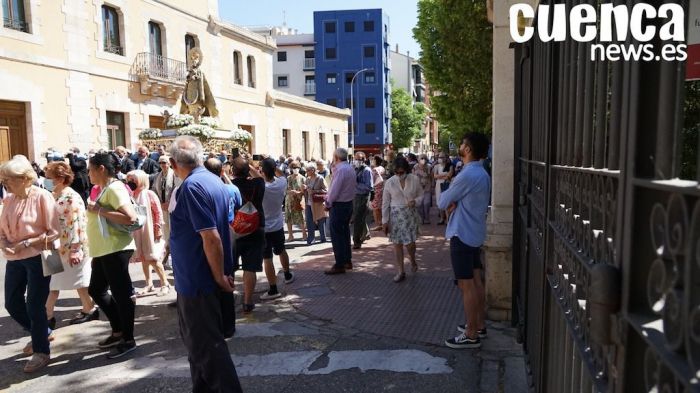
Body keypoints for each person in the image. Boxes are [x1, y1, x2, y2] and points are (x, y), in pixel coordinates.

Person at [168, 136, 243, 392]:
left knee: (208, 350)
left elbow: (212, 238)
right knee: (198, 347)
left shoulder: (191, 187)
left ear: (171, 163)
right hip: (199, 280)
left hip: (198, 282)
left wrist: (220, 276)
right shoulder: (214, 180)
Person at [0, 157, 60, 373]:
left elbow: (54, 233)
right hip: (15, 259)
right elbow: (2, 229)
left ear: (25, 179)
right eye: (3, 178)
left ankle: (41, 351)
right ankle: (42, 331)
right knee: (12, 303)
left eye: (9, 179)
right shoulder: (9, 199)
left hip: (39, 257)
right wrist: (4, 243)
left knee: (35, 304)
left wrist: (25, 242)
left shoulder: (43, 197)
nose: (4, 182)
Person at [438, 133, 491, 349]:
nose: (459, 146)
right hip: (474, 232)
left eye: (461, 144)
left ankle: (471, 333)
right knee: (476, 280)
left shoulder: (467, 174)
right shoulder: (482, 173)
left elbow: (442, 202)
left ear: (467, 149)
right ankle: (478, 325)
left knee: (466, 284)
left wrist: (452, 199)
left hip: (462, 234)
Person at [85, 152, 139, 359]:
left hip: (115, 249)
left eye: (90, 169)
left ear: (101, 169)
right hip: (105, 250)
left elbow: (130, 217)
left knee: (122, 294)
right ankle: (118, 331)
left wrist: (99, 210)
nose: (88, 173)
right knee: (96, 289)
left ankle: (128, 338)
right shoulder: (104, 188)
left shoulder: (115, 188)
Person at [43, 162, 98, 327]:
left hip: (69, 247)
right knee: (53, 282)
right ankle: (48, 315)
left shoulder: (71, 197)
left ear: (60, 178)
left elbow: (77, 223)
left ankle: (49, 316)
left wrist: (75, 249)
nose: (46, 180)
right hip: (53, 246)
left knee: (76, 281)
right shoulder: (53, 195)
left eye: (49, 178)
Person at [127, 170, 170, 297]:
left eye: (133, 179)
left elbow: (158, 212)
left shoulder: (149, 194)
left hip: (149, 230)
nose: (131, 182)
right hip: (137, 230)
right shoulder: (131, 195)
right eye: (129, 180)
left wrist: (158, 229)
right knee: (144, 257)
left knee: (152, 257)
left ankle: (164, 283)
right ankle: (149, 284)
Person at [231, 157, 266, 314]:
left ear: (233, 171)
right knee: (250, 267)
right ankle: (247, 301)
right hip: (255, 228)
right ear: (248, 171)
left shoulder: (229, 186)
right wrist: (249, 165)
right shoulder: (257, 184)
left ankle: (228, 297)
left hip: (235, 231)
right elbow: (260, 177)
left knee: (229, 267)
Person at [382, 157, 423, 283]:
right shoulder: (389, 182)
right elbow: (385, 203)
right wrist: (384, 221)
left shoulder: (414, 179)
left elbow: (421, 195)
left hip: (409, 214)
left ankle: (412, 258)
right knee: (397, 244)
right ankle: (400, 271)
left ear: (406, 170)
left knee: (410, 244)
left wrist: (415, 201)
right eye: (397, 173)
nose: (399, 175)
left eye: (402, 172)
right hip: (395, 215)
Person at [260, 158, 295, 300]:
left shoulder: (262, 187)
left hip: (265, 227)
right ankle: (287, 274)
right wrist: (272, 166)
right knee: (281, 250)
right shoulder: (281, 183)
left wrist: (251, 166)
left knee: (267, 258)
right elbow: (281, 175)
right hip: (278, 225)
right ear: (275, 169)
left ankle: (273, 289)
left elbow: (258, 177)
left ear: (263, 171)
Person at [324, 148, 356, 275]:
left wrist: (328, 203)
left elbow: (334, 190)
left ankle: (340, 264)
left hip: (339, 205)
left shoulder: (341, 170)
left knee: (337, 235)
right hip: (347, 204)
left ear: (336, 157)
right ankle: (347, 260)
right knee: (344, 233)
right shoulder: (349, 168)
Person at [151, 155, 182, 268]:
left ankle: (172, 257)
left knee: (172, 231)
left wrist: (169, 202)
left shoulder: (174, 174)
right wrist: (159, 202)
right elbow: (154, 189)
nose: (163, 165)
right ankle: (165, 257)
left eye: (164, 162)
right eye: (161, 163)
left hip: (172, 206)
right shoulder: (158, 176)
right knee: (164, 231)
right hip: (162, 207)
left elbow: (176, 188)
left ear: (169, 163)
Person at [351, 151, 373, 249]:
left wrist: (356, 185)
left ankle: (356, 241)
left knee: (358, 219)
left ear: (364, 160)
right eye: (355, 158)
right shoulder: (354, 169)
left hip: (363, 197)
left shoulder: (367, 170)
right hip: (354, 196)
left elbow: (369, 186)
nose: (357, 161)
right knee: (358, 218)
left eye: (359, 159)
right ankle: (366, 233)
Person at [304, 164, 328, 245]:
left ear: (313, 170)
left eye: (308, 170)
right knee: (309, 221)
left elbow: (326, 190)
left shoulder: (320, 178)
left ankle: (323, 238)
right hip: (309, 202)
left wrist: (314, 191)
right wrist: (304, 188)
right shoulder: (307, 179)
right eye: (306, 170)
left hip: (318, 202)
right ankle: (311, 239)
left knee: (320, 220)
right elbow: (307, 190)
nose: (306, 172)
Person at [284, 161, 307, 242]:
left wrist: (298, 192)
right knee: (288, 218)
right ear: (291, 169)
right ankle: (290, 235)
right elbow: (285, 189)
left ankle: (304, 234)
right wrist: (289, 192)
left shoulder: (303, 178)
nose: (295, 169)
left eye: (297, 168)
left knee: (301, 217)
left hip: (299, 200)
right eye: (294, 168)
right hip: (289, 200)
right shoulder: (288, 178)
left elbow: (305, 191)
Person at [433, 152, 454, 225]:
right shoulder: (436, 166)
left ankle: (448, 219)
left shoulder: (450, 166)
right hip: (439, 184)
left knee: (447, 201)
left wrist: (440, 176)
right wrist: (444, 176)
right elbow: (434, 176)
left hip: (447, 184)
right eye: (440, 157)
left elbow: (449, 175)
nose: (441, 159)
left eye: (442, 157)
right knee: (439, 200)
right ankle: (442, 218)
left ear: (446, 158)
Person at [413, 154, 433, 225]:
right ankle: (421, 219)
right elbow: (413, 177)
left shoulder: (429, 167)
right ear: (418, 159)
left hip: (427, 187)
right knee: (419, 204)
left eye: (424, 158)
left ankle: (427, 218)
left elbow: (431, 177)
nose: (422, 160)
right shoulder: (415, 167)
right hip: (418, 188)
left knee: (426, 203)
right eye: (421, 158)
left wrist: (432, 186)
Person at [369, 155, 385, 231]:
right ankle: (382, 223)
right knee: (380, 208)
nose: (372, 161)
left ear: (375, 161)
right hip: (382, 190)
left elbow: (372, 181)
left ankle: (378, 224)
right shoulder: (382, 168)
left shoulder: (374, 169)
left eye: (373, 160)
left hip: (375, 190)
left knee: (375, 209)